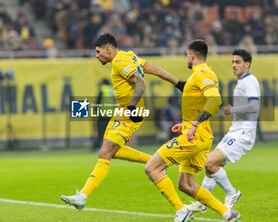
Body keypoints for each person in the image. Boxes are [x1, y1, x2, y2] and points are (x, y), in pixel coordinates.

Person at [61, 32, 184, 210]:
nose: (97, 56)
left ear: (108, 49)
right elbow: (154, 69)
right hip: (121, 112)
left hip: (129, 113)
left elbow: (141, 83)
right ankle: (158, 161)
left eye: (98, 52)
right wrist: (178, 82)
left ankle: (82, 196)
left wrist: (132, 107)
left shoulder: (120, 62)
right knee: (112, 152)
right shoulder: (129, 56)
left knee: (104, 153)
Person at [144, 39, 241, 222]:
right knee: (186, 184)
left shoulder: (202, 73)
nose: (186, 59)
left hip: (194, 137)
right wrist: (188, 123)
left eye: (186, 56)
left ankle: (182, 211)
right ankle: (228, 214)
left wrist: (194, 125)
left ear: (191, 55)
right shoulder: (203, 73)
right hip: (199, 135)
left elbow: (214, 100)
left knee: (152, 168)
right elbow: (200, 101)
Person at [187, 49, 260, 212]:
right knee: (210, 167)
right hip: (236, 131)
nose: (234, 65)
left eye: (238, 62)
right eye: (233, 62)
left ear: (247, 65)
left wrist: (232, 110)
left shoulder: (250, 81)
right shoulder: (242, 82)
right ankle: (201, 202)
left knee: (210, 162)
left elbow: (255, 106)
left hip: (243, 133)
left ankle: (231, 192)